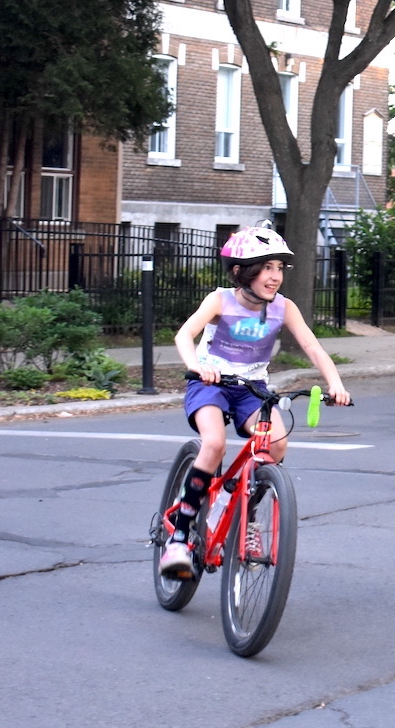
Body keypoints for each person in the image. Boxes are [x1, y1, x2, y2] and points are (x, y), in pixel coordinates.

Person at [159, 224, 351, 579]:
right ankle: (180, 537)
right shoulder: (220, 300)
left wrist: (336, 384)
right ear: (241, 272)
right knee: (214, 443)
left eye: (279, 267)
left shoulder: (283, 308)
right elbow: (185, 334)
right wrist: (196, 366)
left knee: (275, 446)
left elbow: (312, 347)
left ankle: (241, 510)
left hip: (252, 388)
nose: (275, 276)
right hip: (211, 382)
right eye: (267, 268)